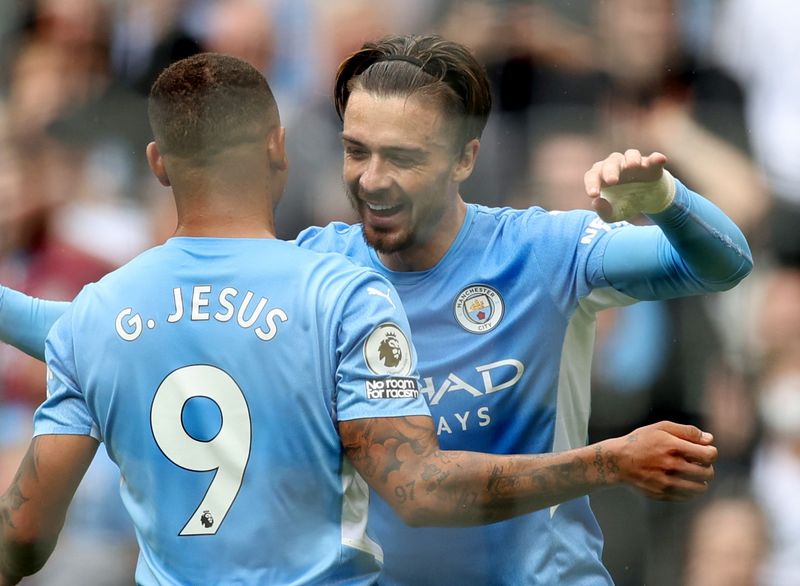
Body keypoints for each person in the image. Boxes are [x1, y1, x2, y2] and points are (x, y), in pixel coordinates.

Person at [0, 34, 747, 584]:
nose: (374, 180)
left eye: (406, 157)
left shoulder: (545, 251)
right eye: (357, 151)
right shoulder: (315, 271)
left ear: (465, 159)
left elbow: (720, 262)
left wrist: (667, 202)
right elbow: (97, 333)